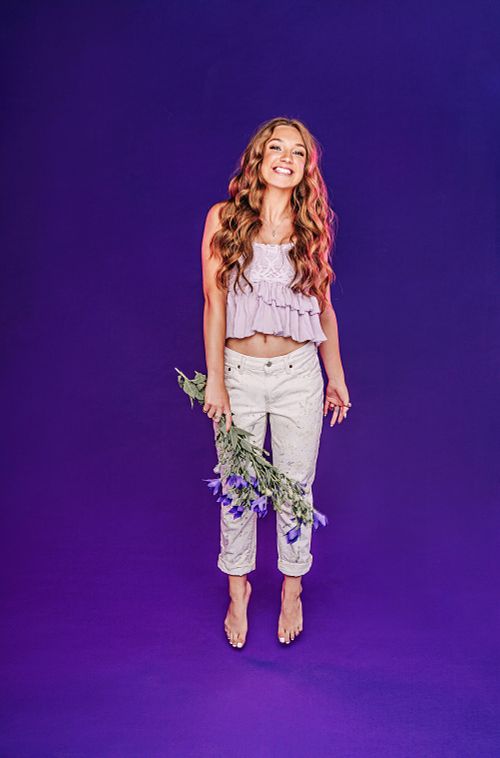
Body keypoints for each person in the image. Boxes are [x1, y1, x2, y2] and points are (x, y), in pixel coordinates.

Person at [200, 116, 351, 649]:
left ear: (307, 167)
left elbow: (323, 308)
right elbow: (214, 303)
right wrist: (215, 381)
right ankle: (238, 589)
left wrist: (336, 376)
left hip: (298, 376)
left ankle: (292, 587)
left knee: (294, 487)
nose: (286, 158)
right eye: (276, 148)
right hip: (238, 374)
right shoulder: (223, 219)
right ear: (259, 159)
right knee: (237, 487)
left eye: (298, 152)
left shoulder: (312, 228)